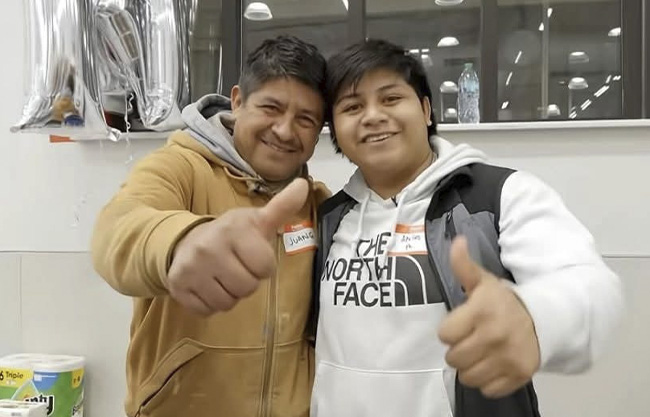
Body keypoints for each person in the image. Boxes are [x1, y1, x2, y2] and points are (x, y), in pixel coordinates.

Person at [310, 39, 623, 417]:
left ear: (426, 109)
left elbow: (587, 283)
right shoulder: (328, 217)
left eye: (391, 99)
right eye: (352, 107)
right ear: (334, 128)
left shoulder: (498, 196)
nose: (373, 116)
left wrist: (535, 317)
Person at [91, 35, 330, 417]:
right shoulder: (182, 167)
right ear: (237, 101)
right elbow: (117, 226)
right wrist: (181, 242)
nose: (285, 131)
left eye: (305, 119)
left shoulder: (317, 204)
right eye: (271, 108)